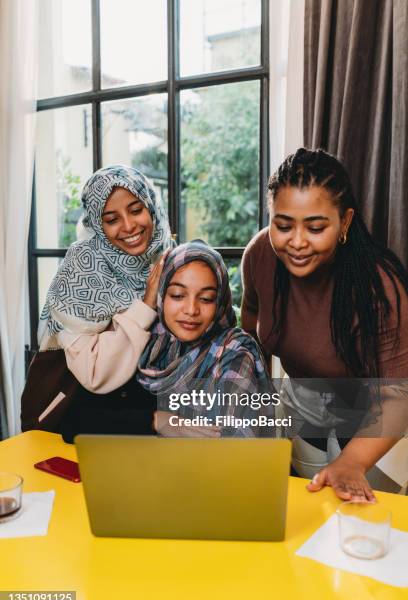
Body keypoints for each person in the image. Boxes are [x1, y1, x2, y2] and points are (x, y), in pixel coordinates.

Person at [241, 148, 408, 500]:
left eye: (316, 227)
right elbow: (250, 332)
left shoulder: (381, 287)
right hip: (303, 410)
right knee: (312, 512)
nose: (297, 242)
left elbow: (398, 397)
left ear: (345, 222)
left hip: (375, 424)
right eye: (283, 225)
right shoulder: (259, 255)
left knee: (362, 527)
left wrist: (352, 462)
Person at [22, 165, 172, 440]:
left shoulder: (163, 256)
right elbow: (96, 373)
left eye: (136, 210)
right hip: (73, 423)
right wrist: (147, 304)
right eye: (111, 219)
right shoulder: (82, 267)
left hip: (139, 425)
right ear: (97, 224)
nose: (128, 226)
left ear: (151, 207)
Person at [136, 241, 270, 437]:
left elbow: (238, 451)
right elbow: (87, 417)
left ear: (220, 303)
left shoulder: (234, 353)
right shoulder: (149, 346)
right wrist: (156, 418)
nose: (191, 310)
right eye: (178, 295)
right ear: (162, 296)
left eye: (206, 298)